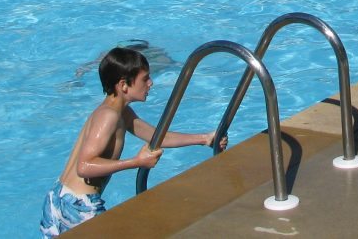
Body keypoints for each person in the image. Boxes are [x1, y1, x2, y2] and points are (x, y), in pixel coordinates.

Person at [40, 47, 225, 236]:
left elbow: (157, 136)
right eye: (145, 79)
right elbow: (84, 166)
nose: (151, 83)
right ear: (124, 85)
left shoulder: (120, 113)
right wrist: (136, 162)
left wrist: (204, 138)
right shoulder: (108, 117)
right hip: (78, 207)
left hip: (60, 198)